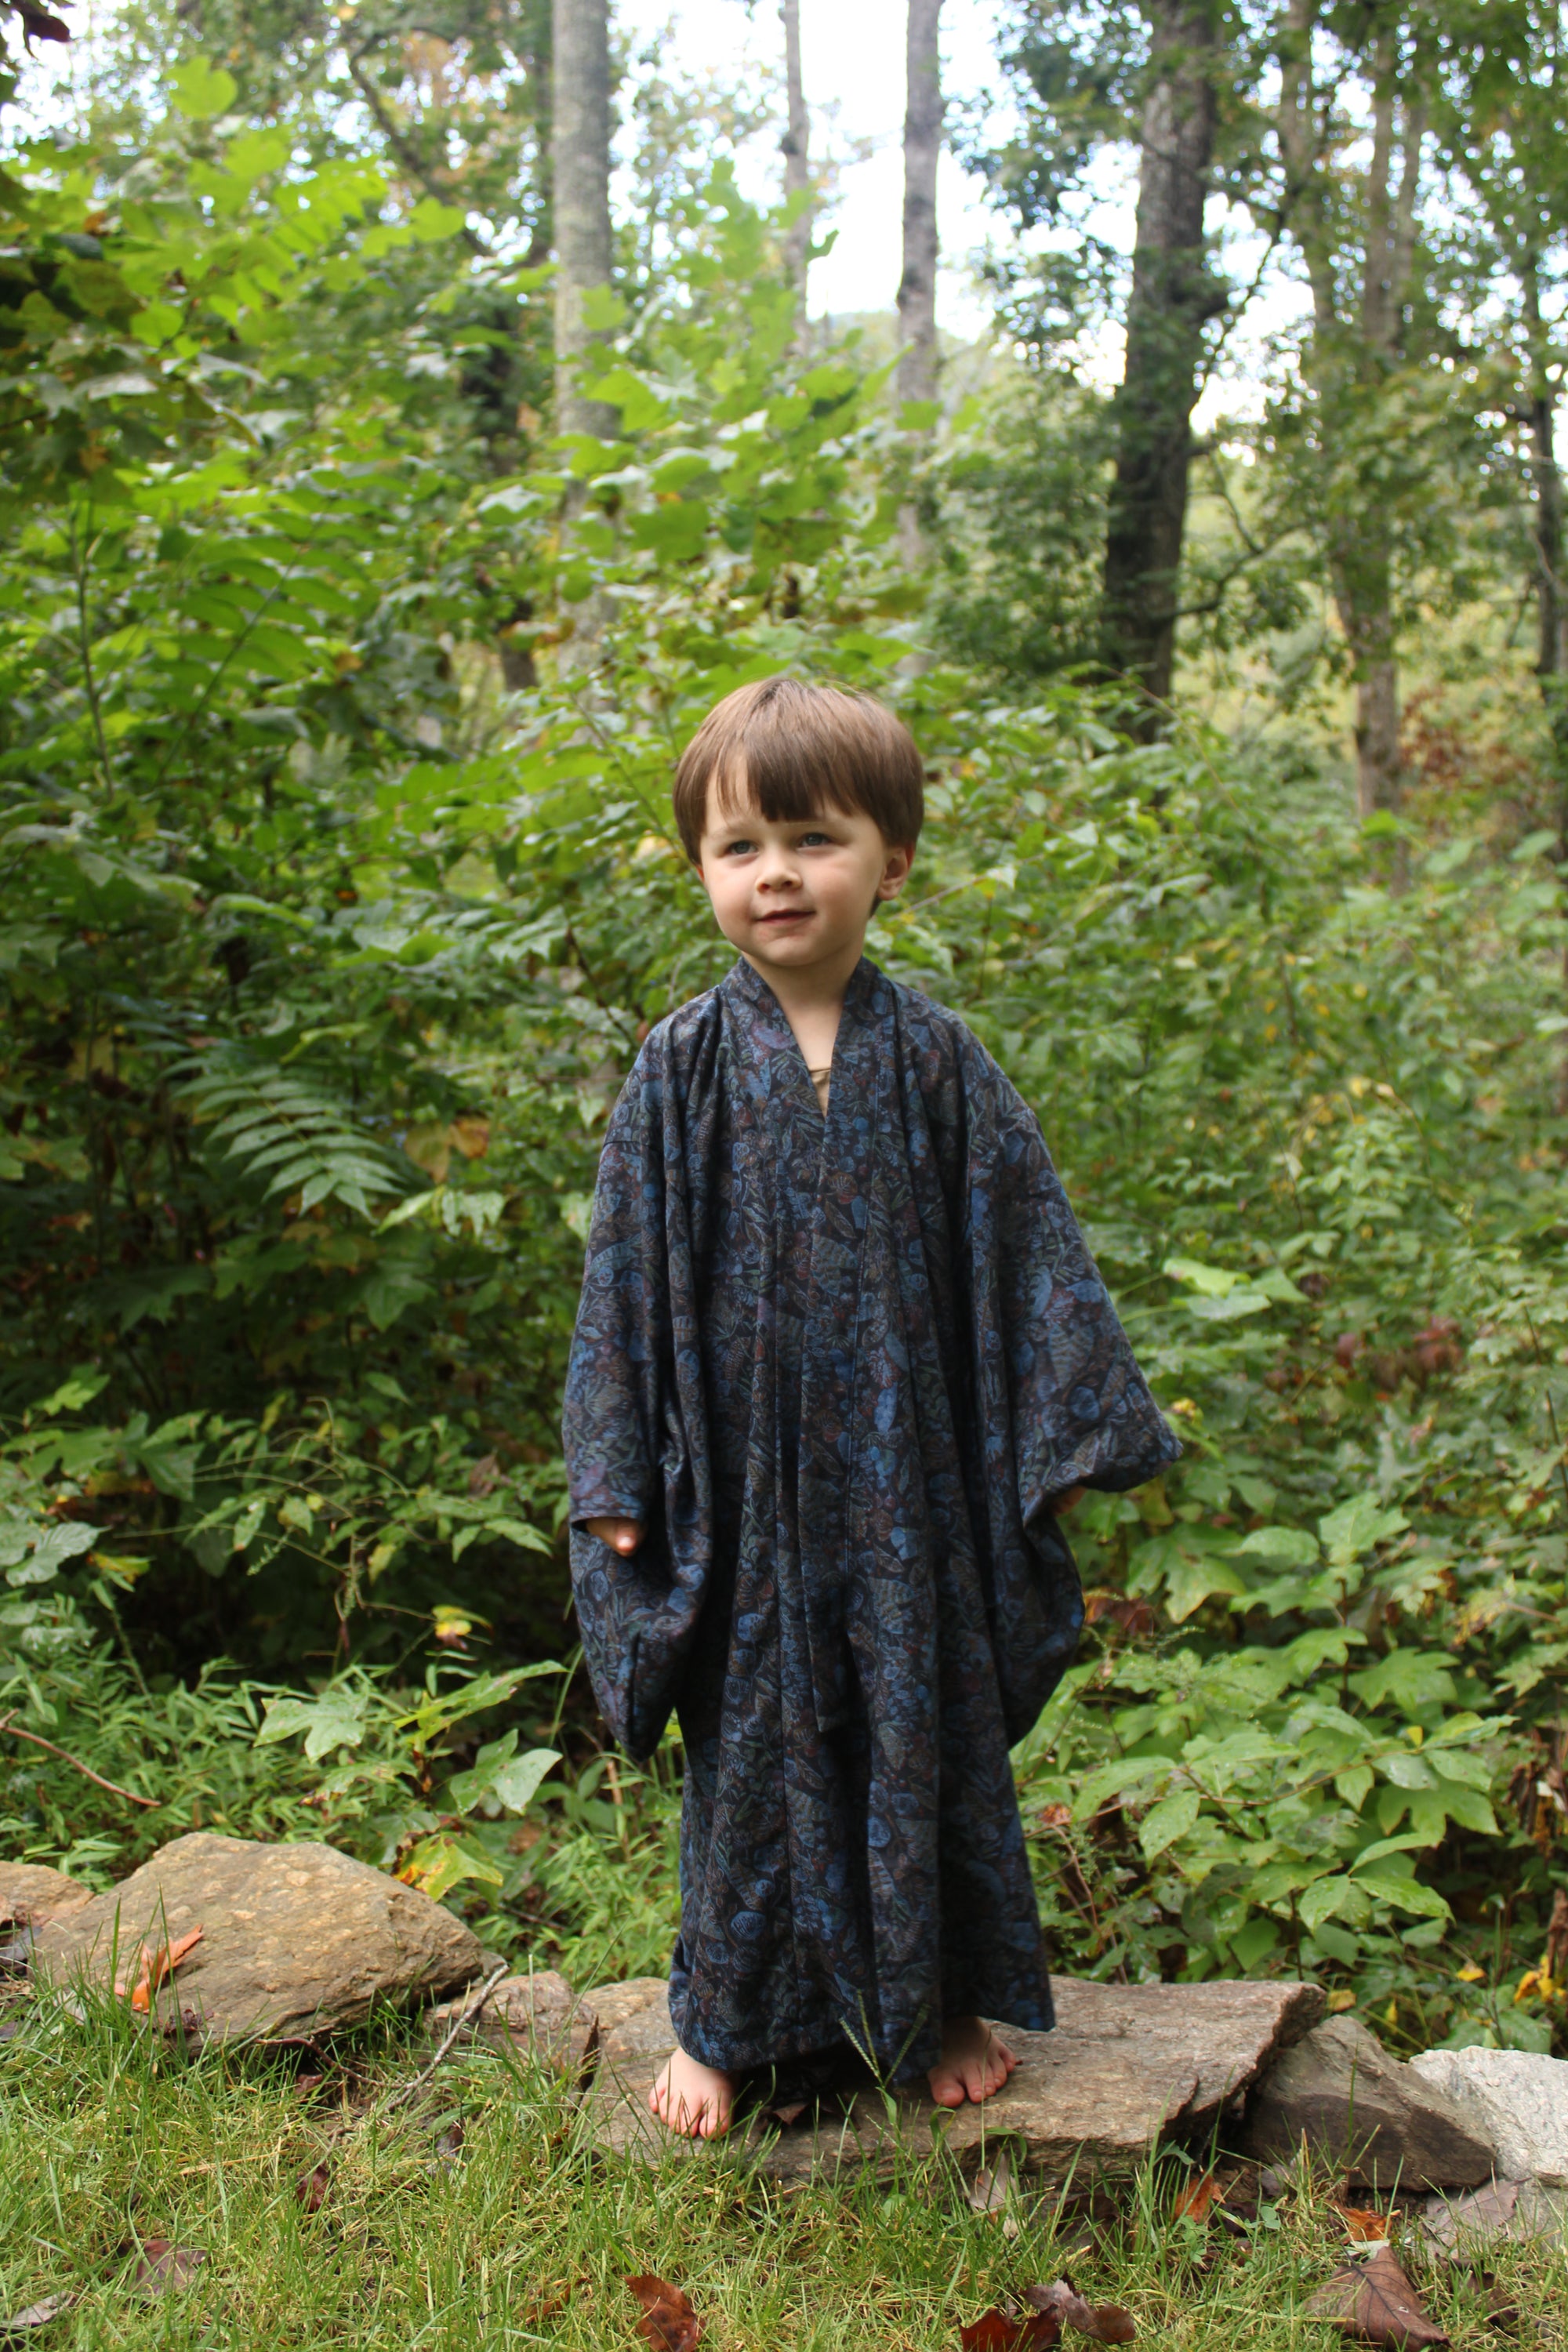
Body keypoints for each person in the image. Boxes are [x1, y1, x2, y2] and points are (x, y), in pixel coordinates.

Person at [561, 677, 1178, 2140]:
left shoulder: (941, 1065)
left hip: (915, 1493)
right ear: (701, 868)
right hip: (744, 1503)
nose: (776, 874)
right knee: (747, 1759)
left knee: (926, 1736)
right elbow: (622, 1283)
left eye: (814, 840)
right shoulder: (679, 1071)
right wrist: (616, 1480)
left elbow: (1030, 1256)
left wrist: (1056, 1447)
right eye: (740, 846)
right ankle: (721, 2027)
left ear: (891, 859)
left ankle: (939, 2004)